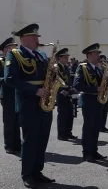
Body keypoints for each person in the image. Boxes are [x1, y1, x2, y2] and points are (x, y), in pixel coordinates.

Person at [4, 24, 56, 187]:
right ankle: (27, 174)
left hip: (44, 102)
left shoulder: (40, 55)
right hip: (28, 103)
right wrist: (35, 91)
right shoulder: (14, 55)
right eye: (33, 37)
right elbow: (10, 79)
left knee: (42, 139)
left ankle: (37, 171)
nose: (37, 40)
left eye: (37, 37)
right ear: (23, 39)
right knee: (30, 139)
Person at [73, 43, 107, 162]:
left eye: (98, 53)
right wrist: (95, 89)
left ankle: (94, 150)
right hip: (88, 99)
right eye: (96, 53)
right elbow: (77, 85)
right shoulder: (82, 67)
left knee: (96, 127)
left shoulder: (98, 68)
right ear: (90, 54)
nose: (98, 56)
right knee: (88, 127)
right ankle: (87, 153)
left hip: (97, 100)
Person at [0, 37, 21, 154]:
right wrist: (7, 79)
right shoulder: (1, 61)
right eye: (10, 47)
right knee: (9, 120)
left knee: (17, 120)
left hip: (17, 93)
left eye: (14, 47)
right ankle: (9, 145)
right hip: (7, 94)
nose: (13, 49)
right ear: (4, 50)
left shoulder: (16, 61)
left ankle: (17, 143)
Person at [55, 48, 78, 140]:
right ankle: (61, 134)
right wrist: (61, 90)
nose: (67, 59)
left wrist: (72, 88)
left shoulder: (66, 67)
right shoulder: (56, 67)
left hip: (69, 92)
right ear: (60, 58)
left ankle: (68, 132)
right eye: (65, 57)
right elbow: (55, 81)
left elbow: (68, 80)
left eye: (67, 57)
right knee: (62, 114)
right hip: (61, 93)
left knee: (70, 114)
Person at [98, 54, 108, 132]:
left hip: (106, 91)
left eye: (104, 61)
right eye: (102, 61)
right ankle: (99, 126)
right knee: (100, 110)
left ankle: (103, 125)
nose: (103, 63)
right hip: (100, 92)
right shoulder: (97, 70)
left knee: (105, 110)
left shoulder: (105, 70)